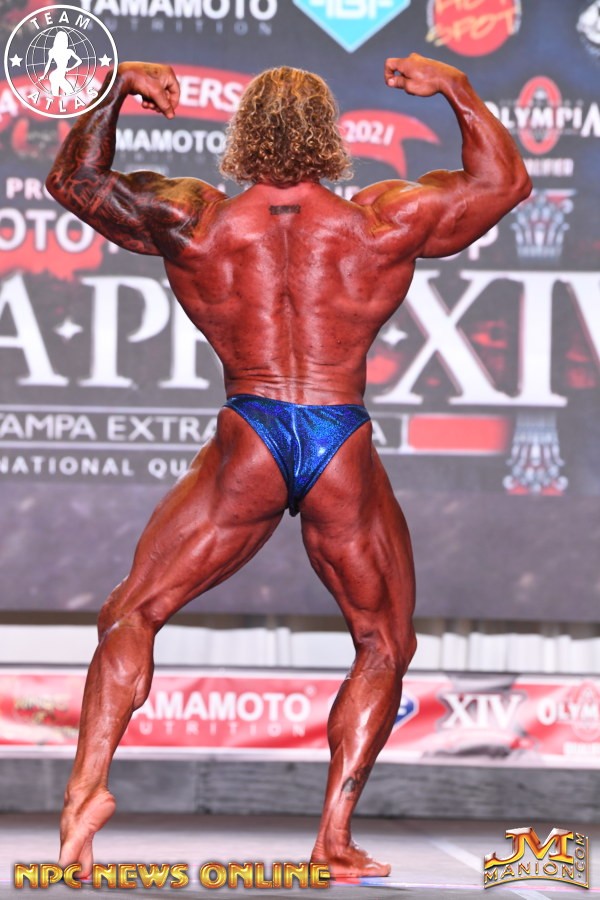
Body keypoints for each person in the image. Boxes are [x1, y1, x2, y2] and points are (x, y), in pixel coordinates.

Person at [46, 54, 531, 880]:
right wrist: (454, 87)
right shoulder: (382, 220)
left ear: (243, 135)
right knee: (383, 641)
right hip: (338, 437)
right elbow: (505, 183)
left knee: (132, 611)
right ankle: (333, 835)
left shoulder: (196, 218)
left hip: (253, 433)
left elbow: (76, 182)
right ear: (329, 137)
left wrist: (117, 86)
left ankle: (84, 794)